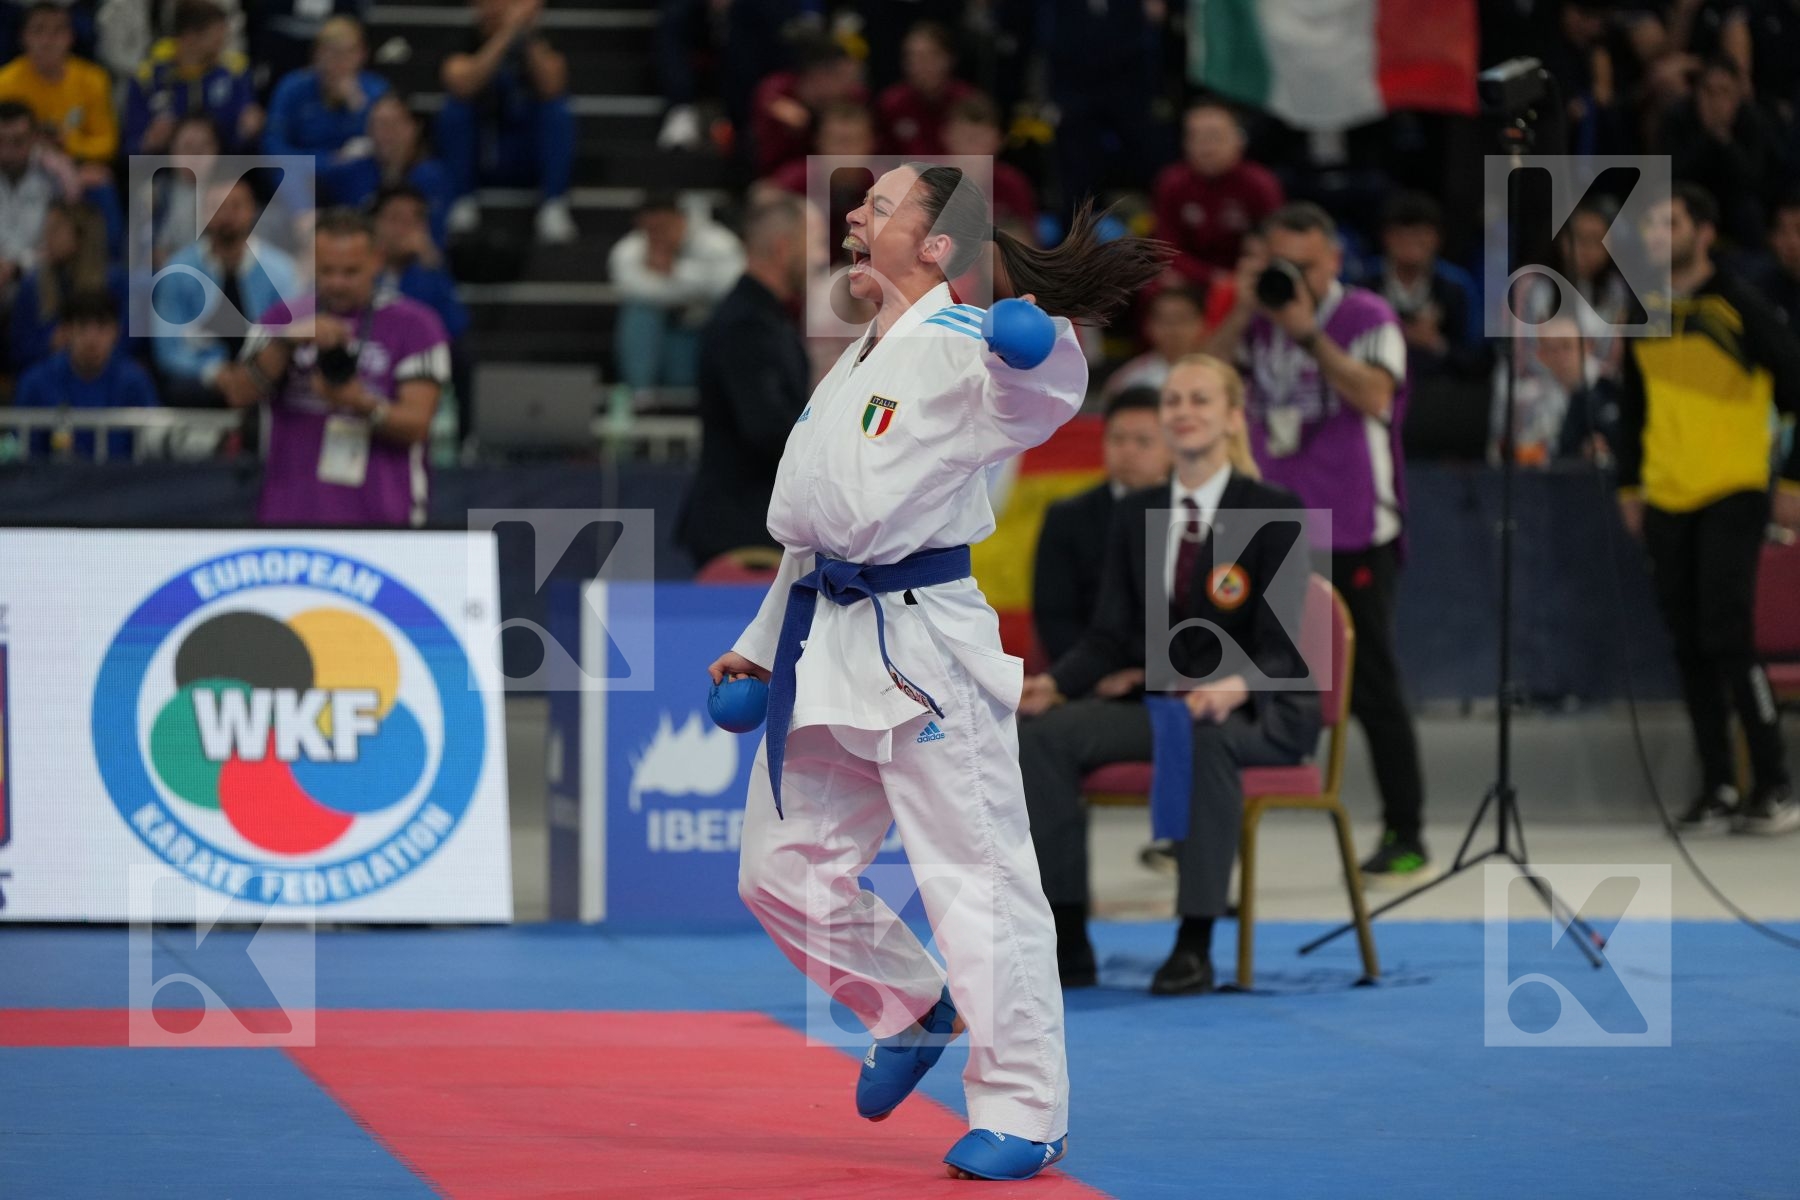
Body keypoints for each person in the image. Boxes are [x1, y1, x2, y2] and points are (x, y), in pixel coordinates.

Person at [708, 167, 1167, 1181]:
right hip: (823, 643)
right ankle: (910, 1005)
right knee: (777, 871)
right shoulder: (847, 365)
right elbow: (809, 536)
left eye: (882, 204)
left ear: (937, 245)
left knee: (978, 881)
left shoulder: (964, 342)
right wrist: (755, 637)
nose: (856, 212)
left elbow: (1043, 397)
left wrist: (1043, 340)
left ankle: (1025, 1110)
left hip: (923, 650)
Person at [1017, 354, 1318, 993]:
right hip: (1162, 707)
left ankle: (1194, 941)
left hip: (1256, 709)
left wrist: (1228, 688)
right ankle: (1068, 937)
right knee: (1043, 735)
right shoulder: (1137, 512)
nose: (1182, 412)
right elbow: (1108, 635)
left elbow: (1283, 645)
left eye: (1200, 401)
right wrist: (1058, 684)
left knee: (1203, 735)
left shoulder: (1271, 507)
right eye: (1174, 401)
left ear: (1234, 419)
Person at [1204, 201, 1431, 884]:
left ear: (1333, 261)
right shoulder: (1257, 319)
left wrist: (1305, 332)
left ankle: (1406, 829)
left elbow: (1375, 398)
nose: (1292, 277)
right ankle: (1206, 823)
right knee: (1229, 670)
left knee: (1369, 684)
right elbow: (1200, 379)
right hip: (1266, 522)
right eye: (1282, 263)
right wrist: (1246, 310)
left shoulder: (1368, 318)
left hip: (1355, 522)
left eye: (1305, 265)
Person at [1619, 183, 1800, 835]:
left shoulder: (1740, 305)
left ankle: (1774, 784)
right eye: (1650, 226)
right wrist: (1630, 490)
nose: (1658, 236)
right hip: (1667, 493)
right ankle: (1720, 784)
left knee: (1727, 635)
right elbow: (1632, 409)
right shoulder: (1643, 308)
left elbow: (1795, 385)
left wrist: (1792, 483)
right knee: (1689, 643)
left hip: (1733, 487)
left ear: (1703, 231)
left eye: (1670, 223)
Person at [221, 207, 449, 527]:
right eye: (327, 271)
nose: (337, 283)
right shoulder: (280, 320)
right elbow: (238, 394)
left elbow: (417, 425)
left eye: (351, 271)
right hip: (290, 513)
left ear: (377, 260)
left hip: (385, 517)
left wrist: (358, 402)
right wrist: (284, 344)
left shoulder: (416, 326)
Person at [676, 196, 811, 568]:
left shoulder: (766, 317)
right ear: (784, 249)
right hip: (743, 532)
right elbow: (766, 427)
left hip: (754, 522)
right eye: (812, 245)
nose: (819, 260)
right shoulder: (746, 325)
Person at [1031, 385, 1171, 665]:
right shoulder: (1067, 517)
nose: (1128, 451)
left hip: (1175, 679)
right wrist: (1091, 676)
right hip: (1087, 682)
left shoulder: (1197, 515)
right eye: (1118, 439)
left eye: (1143, 441)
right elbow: (1054, 617)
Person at [151, 176, 300, 406]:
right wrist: (214, 372)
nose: (227, 216)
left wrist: (254, 375)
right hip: (201, 383)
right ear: (203, 213)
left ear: (252, 211)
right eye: (217, 207)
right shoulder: (178, 270)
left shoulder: (282, 270)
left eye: (236, 206)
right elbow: (168, 348)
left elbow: (290, 336)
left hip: (266, 376)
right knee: (178, 386)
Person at [437, 0, 575, 244]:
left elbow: (552, 85)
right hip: (481, 155)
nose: (500, 8)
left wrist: (526, 36)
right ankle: (462, 200)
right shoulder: (464, 40)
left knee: (557, 111)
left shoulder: (540, 42)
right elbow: (463, 84)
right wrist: (505, 34)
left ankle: (553, 203)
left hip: (525, 153)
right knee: (455, 110)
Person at [607, 193, 745, 392]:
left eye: (664, 226)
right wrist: (695, 288)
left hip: (706, 332)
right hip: (666, 335)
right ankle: (640, 395)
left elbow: (733, 285)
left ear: (680, 219)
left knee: (732, 311)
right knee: (639, 312)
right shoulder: (630, 249)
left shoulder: (718, 242)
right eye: (651, 229)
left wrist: (675, 271)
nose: (658, 235)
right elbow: (631, 288)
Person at [371, 183, 471, 436]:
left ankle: (465, 439)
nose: (402, 230)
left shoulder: (429, 271)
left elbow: (456, 327)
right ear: (374, 223)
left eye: (412, 221)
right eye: (394, 219)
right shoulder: (359, 269)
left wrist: (429, 261)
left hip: (415, 362)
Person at [14, 289, 158, 461]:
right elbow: (21, 457)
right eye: (82, 326)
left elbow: (153, 449)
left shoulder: (135, 382)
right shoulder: (35, 383)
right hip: (55, 486)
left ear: (116, 331)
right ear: (66, 331)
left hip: (124, 485)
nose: (91, 338)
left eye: (102, 326)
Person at [1153, 102, 1283, 291]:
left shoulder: (1260, 184)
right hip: (1191, 279)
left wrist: (1242, 276)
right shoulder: (1171, 182)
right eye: (1196, 137)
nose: (1206, 148)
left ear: (1239, 139)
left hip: (1246, 277)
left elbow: (1275, 242)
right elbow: (1165, 248)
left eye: (1215, 137)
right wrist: (1209, 277)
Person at [123, 0, 262, 156]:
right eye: (216, 37)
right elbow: (129, 150)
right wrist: (149, 142)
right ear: (189, 37)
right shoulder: (148, 78)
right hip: (160, 172)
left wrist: (248, 132)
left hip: (221, 172)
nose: (223, 43)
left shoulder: (234, 73)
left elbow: (243, 146)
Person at [1372, 191, 1485, 381]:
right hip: (1378, 387)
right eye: (1401, 234)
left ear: (1437, 238)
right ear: (1386, 237)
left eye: (1419, 234)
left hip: (1442, 394)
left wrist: (1435, 343)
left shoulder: (1456, 287)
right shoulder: (1365, 285)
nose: (1410, 242)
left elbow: (1476, 358)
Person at [0, 3, 116, 187]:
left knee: (101, 181)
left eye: (57, 31)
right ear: (23, 37)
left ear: (70, 37)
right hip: (19, 167)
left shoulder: (93, 79)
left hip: (76, 163)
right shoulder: (4, 82)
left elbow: (107, 143)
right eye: (39, 31)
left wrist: (70, 144)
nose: (47, 40)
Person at [321, 92, 455, 247]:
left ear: (414, 127)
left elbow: (434, 242)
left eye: (393, 124)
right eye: (378, 125)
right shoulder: (350, 172)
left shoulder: (432, 176)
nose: (385, 134)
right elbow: (296, 172)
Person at [261, 17, 389, 170]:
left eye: (348, 53)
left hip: (355, 171)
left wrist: (359, 107)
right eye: (332, 52)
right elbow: (273, 143)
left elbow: (384, 144)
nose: (340, 62)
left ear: (362, 55)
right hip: (302, 169)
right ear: (317, 54)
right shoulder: (293, 86)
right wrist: (325, 161)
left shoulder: (375, 88)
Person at [11, 198, 120, 375]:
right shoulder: (33, 285)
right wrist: (51, 343)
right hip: (47, 378)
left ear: (80, 236)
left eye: (55, 230)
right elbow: (17, 351)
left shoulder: (114, 283)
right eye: (46, 229)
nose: (47, 237)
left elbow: (125, 346)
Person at [749, 32, 865, 179]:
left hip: (833, 176)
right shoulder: (779, 89)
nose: (850, 85)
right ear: (819, 76)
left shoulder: (853, 96)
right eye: (843, 77)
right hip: (778, 175)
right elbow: (774, 105)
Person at [0, 99, 68, 313]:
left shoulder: (56, 177)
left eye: (17, 141)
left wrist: (17, 267)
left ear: (35, 139)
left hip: (40, 280)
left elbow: (62, 244)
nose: (6, 152)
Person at [875, 22, 974, 159]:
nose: (919, 65)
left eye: (929, 56)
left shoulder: (967, 102)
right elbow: (881, 158)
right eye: (912, 57)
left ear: (949, 59)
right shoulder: (891, 104)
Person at [940, 92, 1035, 230]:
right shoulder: (924, 185)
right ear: (946, 137)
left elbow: (1024, 245)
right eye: (965, 137)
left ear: (999, 141)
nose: (971, 148)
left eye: (980, 138)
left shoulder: (1013, 185)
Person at [1103, 285, 1205, 400]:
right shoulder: (1129, 379)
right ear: (1148, 326)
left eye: (1182, 319)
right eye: (1165, 320)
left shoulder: (1219, 374)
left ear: (1201, 323)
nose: (1173, 329)